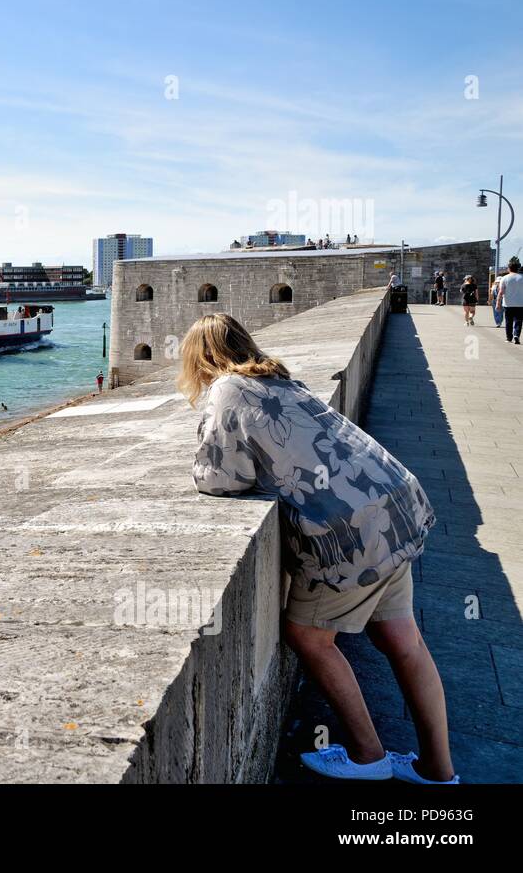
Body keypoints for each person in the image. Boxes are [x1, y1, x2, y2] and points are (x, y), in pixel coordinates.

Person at [180, 313, 456, 784]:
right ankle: (439, 769)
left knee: (309, 636)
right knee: (404, 642)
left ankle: (368, 757)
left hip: (347, 533)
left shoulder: (227, 389)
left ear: (199, 358)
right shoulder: (280, 378)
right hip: (392, 505)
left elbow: (223, 478)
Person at [497, 257, 523, 344]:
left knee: (509, 321)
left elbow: (501, 292)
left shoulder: (504, 278)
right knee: (518, 321)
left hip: (508, 304)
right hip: (520, 304)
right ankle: (516, 335)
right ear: (517, 268)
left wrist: (498, 303)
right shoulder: (522, 277)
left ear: (509, 268)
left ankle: (509, 338)